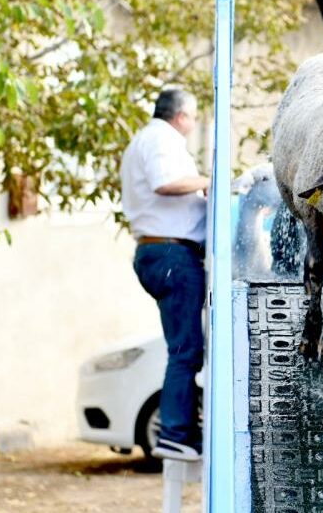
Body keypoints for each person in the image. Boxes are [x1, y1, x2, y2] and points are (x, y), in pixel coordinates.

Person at [120, 88, 209, 461]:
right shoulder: (161, 138)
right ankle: (175, 434)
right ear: (182, 116)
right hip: (172, 252)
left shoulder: (146, 139)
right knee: (185, 350)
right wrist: (209, 181)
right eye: (193, 116)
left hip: (161, 250)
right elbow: (165, 182)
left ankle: (181, 430)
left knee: (183, 349)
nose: (194, 123)